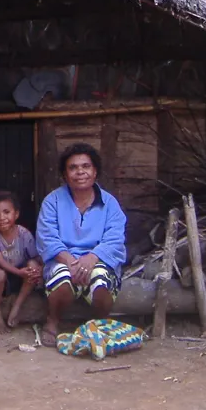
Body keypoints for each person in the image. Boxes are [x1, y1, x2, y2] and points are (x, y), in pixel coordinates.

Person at [36, 143, 127, 346]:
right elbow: (47, 238)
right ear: (65, 174)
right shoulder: (53, 201)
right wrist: (71, 261)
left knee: (101, 282)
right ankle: (52, 321)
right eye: (73, 167)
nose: (80, 172)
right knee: (62, 280)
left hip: (98, 258)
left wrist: (92, 258)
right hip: (63, 258)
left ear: (95, 172)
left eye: (86, 166)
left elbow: (115, 238)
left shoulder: (109, 203)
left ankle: (98, 324)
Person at [0, 191, 41, 334]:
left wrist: (36, 271)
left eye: (6, 212)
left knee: (33, 266)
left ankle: (17, 305)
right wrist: (19, 272)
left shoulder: (23, 233)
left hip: (22, 277)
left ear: (16, 214)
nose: (2, 218)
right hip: (3, 279)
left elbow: (36, 257)